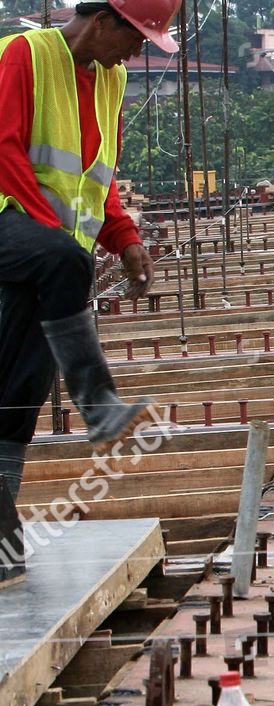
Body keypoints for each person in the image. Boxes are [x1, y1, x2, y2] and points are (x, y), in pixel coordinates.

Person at [0, 0, 173, 501]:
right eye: (136, 38)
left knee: (21, 383)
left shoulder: (109, 80)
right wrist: (53, 237)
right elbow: (4, 148)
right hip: (19, 225)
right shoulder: (23, 55)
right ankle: (98, 403)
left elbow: (99, 174)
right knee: (64, 261)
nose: (137, 52)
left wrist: (124, 237)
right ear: (102, 22)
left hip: (45, 252)